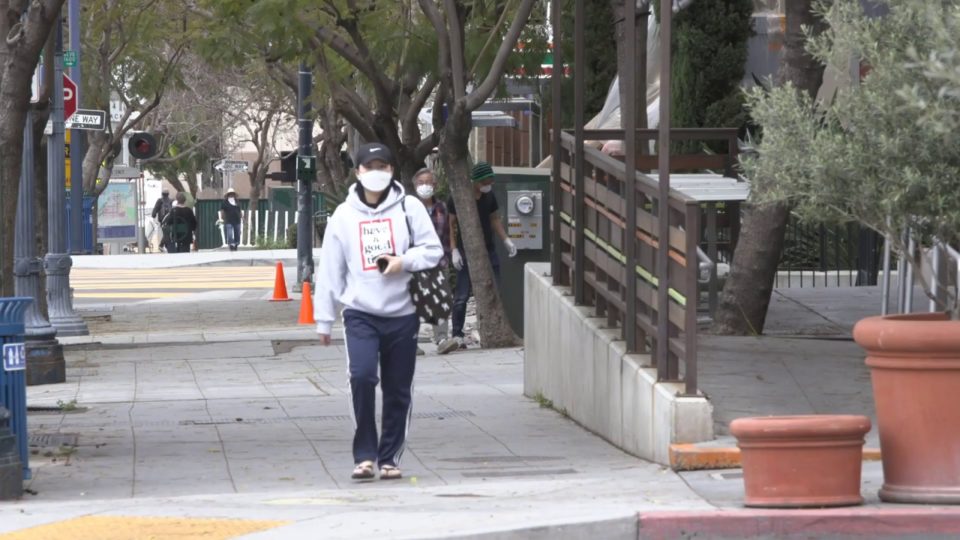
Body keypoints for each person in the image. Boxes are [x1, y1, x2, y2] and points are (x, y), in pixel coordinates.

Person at [313, 142, 442, 481]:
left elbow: (433, 250)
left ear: (392, 170)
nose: (376, 173)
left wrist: (404, 261)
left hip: (403, 313)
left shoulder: (409, 208)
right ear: (357, 172)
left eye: (382, 166)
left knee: (398, 388)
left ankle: (389, 458)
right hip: (360, 313)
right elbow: (331, 269)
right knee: (362, 376)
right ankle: (365, 455)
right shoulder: (344, 215)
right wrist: (324, 318)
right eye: (369, 167)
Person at [437, 161, 517, 354]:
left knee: (496, 288)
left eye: (490, 181)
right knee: (462, 296)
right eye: (485, 181)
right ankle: (457, 333)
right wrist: (454, 250)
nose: (488, 185)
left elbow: (494, 219)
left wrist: (506, 240)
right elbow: (451, 225)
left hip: (488, 248)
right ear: (476, 180)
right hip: (465, 250)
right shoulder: (458, 197)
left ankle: (496, 329)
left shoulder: (489, 196)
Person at [412, 168, 451, 347]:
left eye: (428, 182)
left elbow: (448, 234)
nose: (425, 186)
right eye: (421, 183)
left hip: (438, 261)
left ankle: (442, 338)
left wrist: (449, 255)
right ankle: (411, 342)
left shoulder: (441, 207)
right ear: (415, 186)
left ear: (434, 185)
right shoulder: (409, 209)